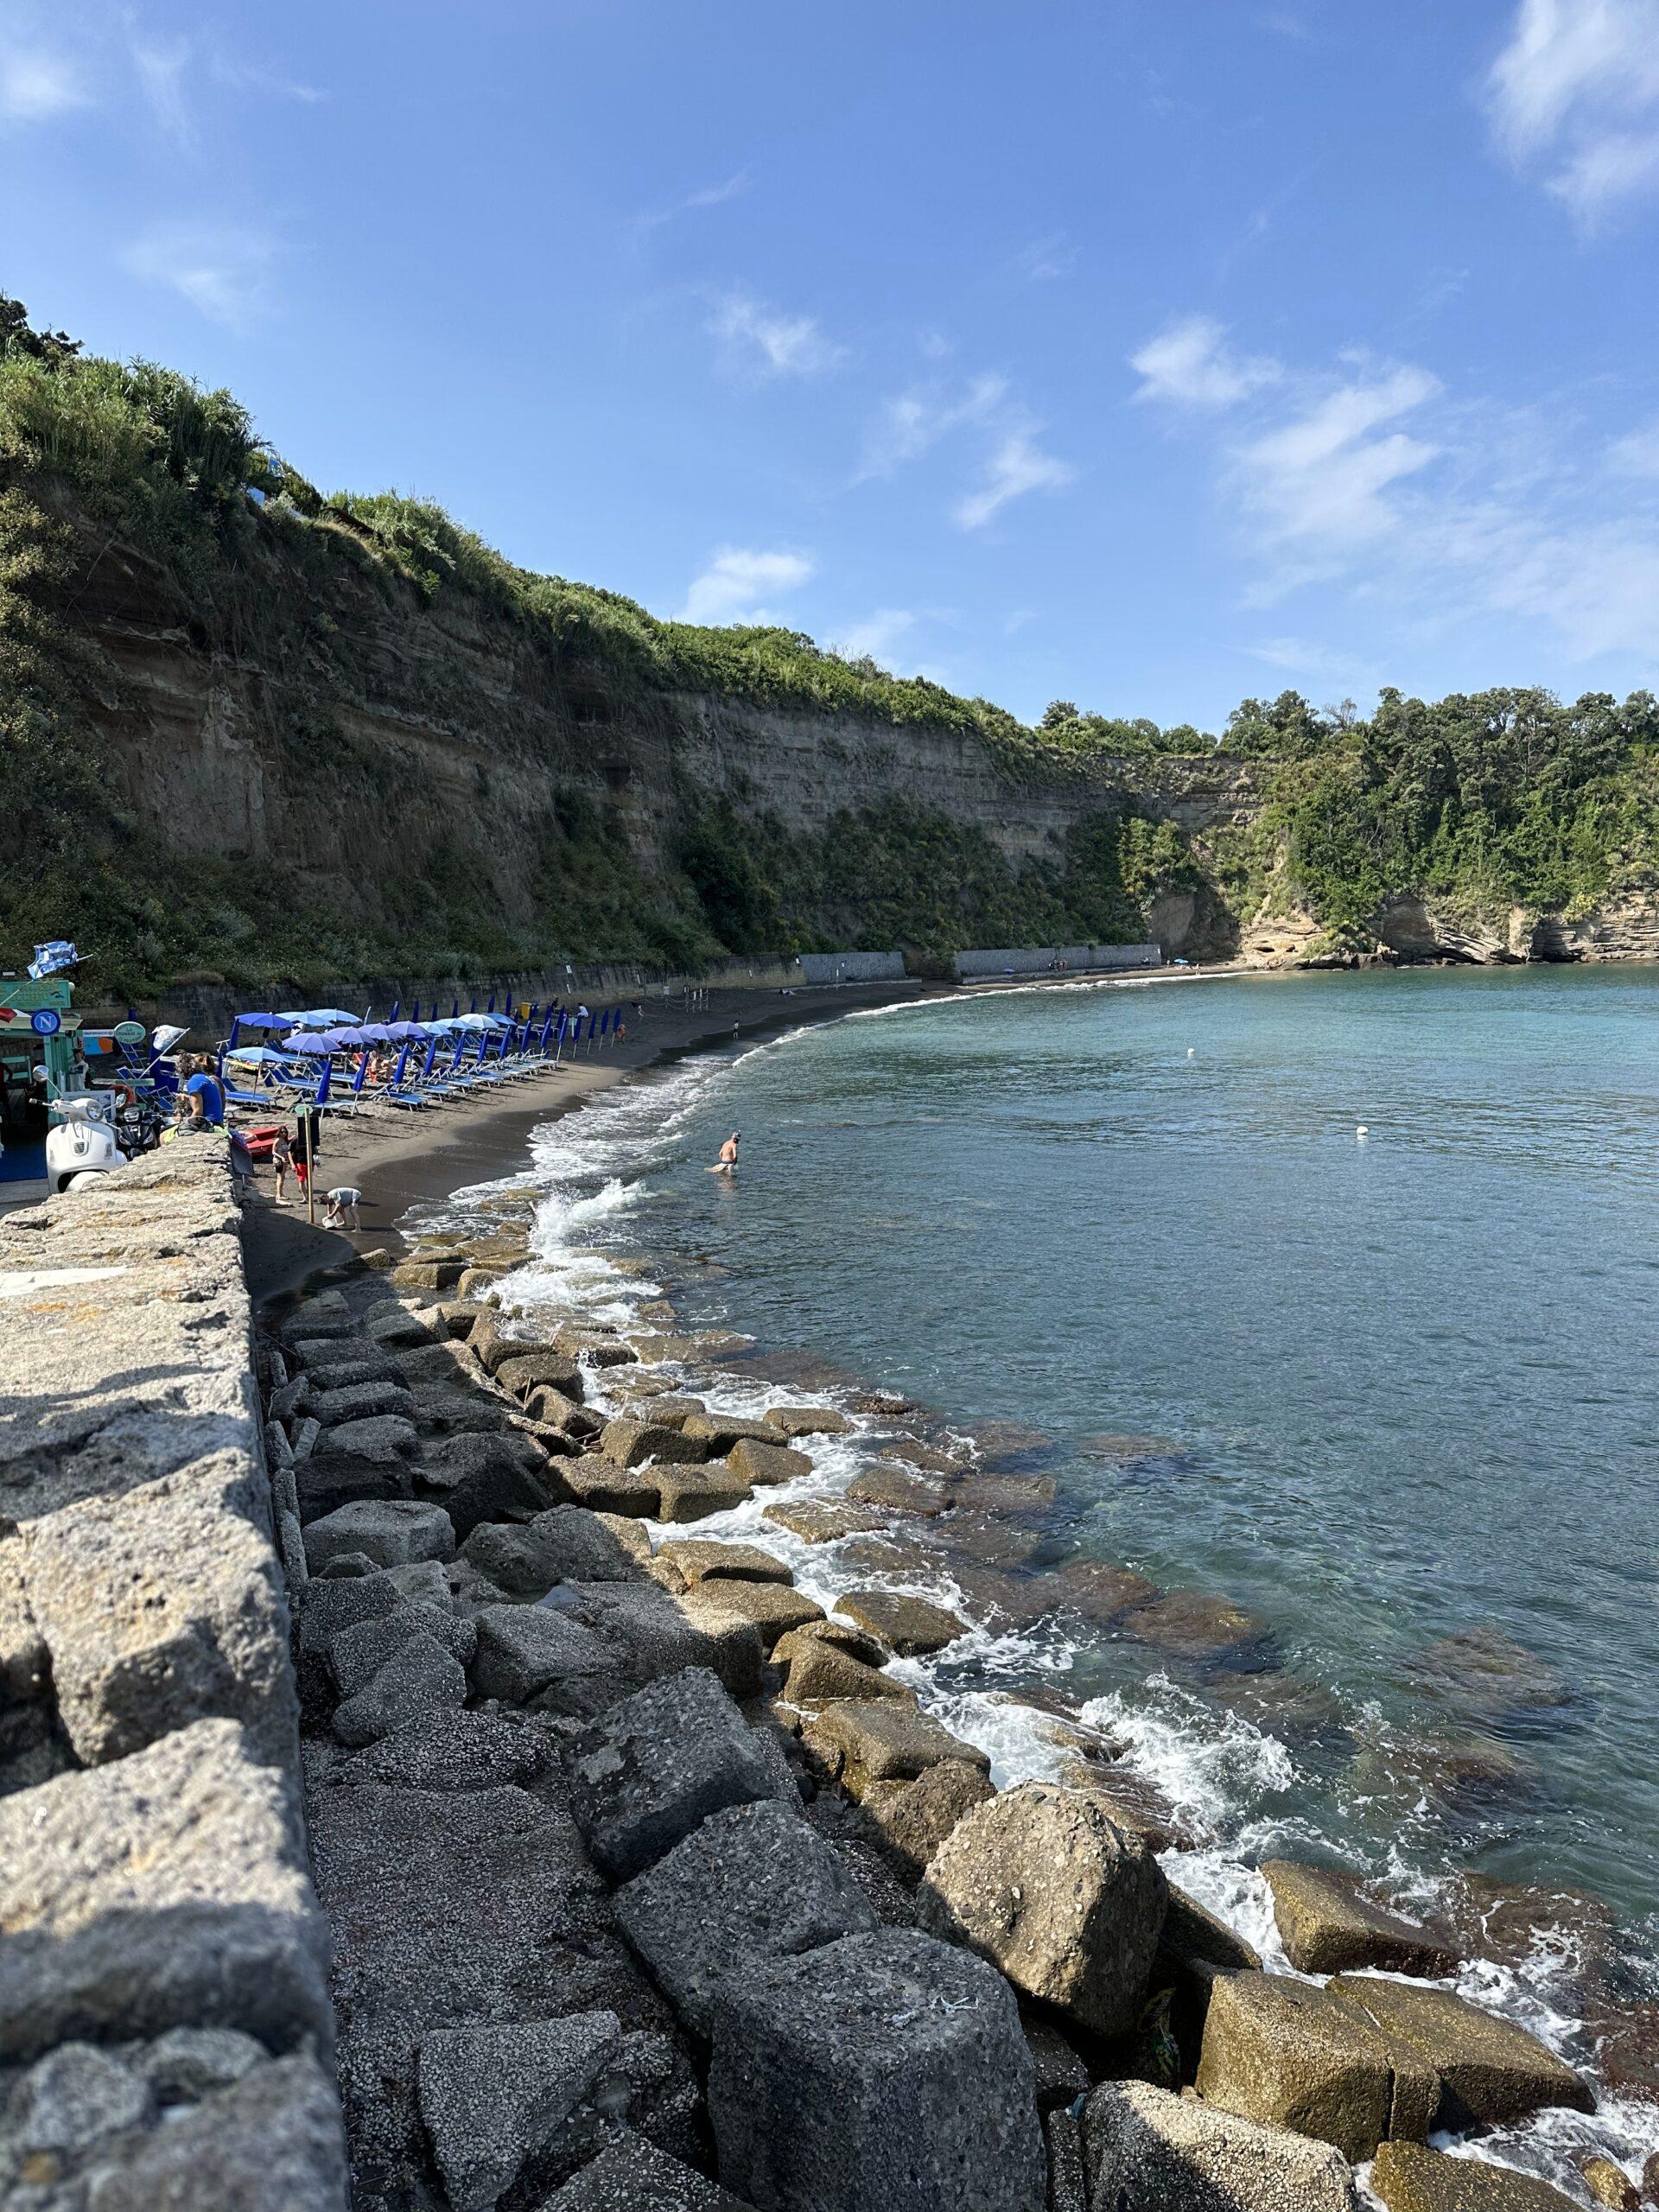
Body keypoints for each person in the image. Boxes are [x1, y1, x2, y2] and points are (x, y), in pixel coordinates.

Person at [183, 1055, 225, 1128]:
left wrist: (185, 1124)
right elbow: (209, 1100)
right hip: (218, 1120)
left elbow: (198, 1111)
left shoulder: (196, 1080)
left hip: (209, 1122)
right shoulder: (209, 1079)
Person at [292, 1104, 321, 1197]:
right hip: (300, 1162)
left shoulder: (311, 1139)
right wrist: (293, 1164)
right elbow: (290, 1151)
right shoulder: (295, 1141)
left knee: (309, 1179)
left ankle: (309, 1196)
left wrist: (317, 1160)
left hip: (310, 1162)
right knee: (301, 1180)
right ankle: (305, 1197)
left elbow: (315, 1150)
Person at [270, 1127, 293, 1205]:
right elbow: (273, 1152)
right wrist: (281, 1157)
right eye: (282, 1132)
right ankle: (279, 1194)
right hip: (279, 1160)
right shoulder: (278, 1140)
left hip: (284, 1160)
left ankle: (280, 1193)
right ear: (279, 1132)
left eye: (285, 1132)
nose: (284, 1133)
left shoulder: (284, 1140)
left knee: (282, 1177)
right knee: (280, 1177)